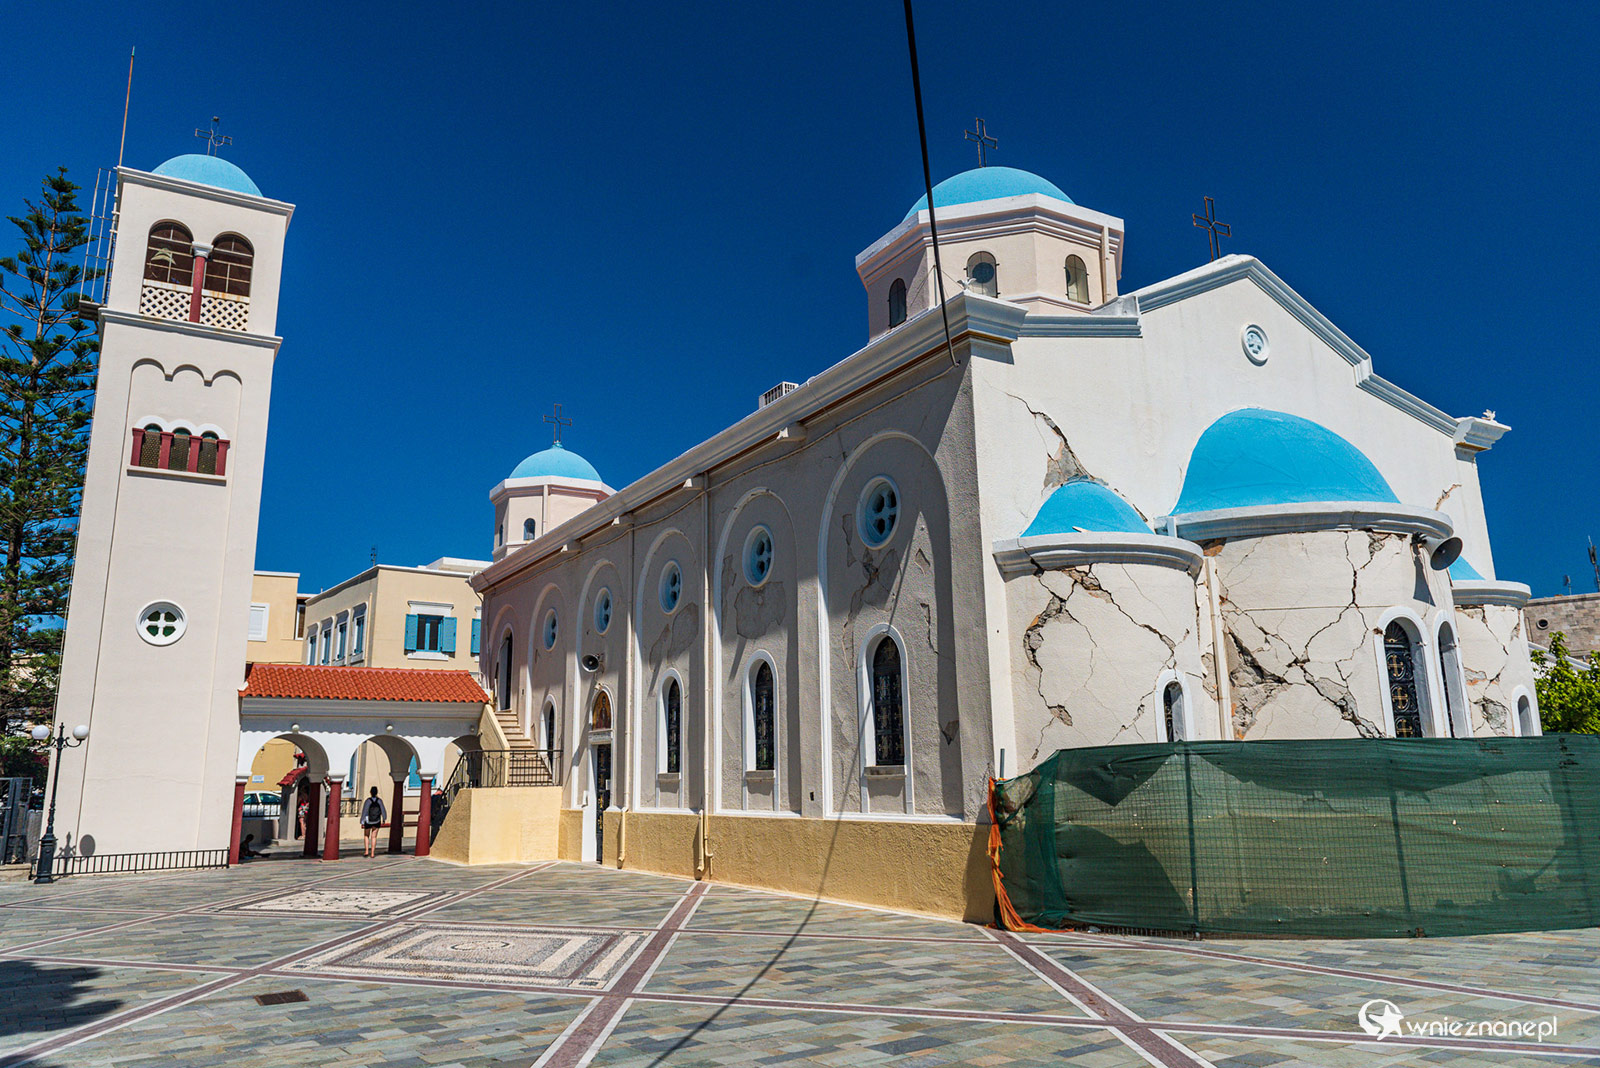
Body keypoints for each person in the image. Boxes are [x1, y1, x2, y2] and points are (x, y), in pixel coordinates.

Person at [359, 786, 387, 857]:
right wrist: (384, 818)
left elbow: (365, 811)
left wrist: (362, 821)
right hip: (377, 820)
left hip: (368, 821)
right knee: (374, 837)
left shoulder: (368, 801)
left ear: (370, 792)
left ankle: (366, 851)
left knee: (366, 835)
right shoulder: (379, 801)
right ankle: (372, 853)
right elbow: (383, 810)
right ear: (377, 792)